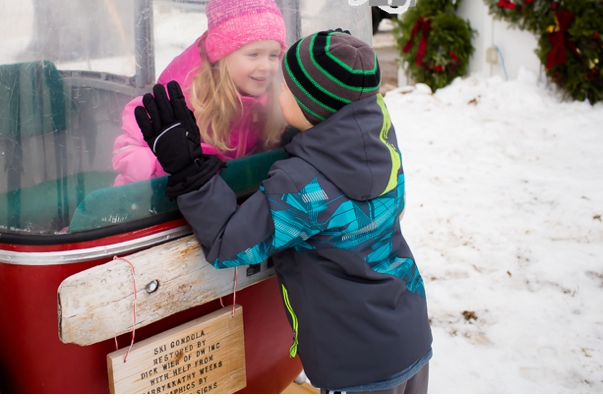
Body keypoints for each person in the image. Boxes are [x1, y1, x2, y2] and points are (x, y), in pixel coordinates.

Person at [134, 30, 433, 394]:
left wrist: (190, 170)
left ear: (310, 106)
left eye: (286, 88)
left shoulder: (302, 183)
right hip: (408, 332)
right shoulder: (378, 141)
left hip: (357, 364)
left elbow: (231, 243)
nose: (276, 92)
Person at [112, 0, 286, 186]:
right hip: (149, 211)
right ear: (221, 55)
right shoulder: (180, 97)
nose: (266, 66)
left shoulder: (272, 101)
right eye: (254, 54)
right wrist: (171, 164)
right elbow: (125, 152)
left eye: (274, 55)